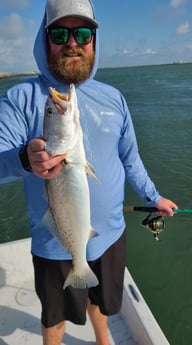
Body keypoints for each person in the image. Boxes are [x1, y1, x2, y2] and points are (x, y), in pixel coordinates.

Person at [0, 0, 178, 344]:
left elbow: (130, 159)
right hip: (55, 244)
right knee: (54, 315)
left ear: (94, 40)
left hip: (109, 236)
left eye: (83, 33)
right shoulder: (19, 99)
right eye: (60, 33)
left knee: (104, 302)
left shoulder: (114, 98)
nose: (72, 42)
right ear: (44, 38)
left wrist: (154, 197)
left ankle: (103, 340)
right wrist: (23, 159)